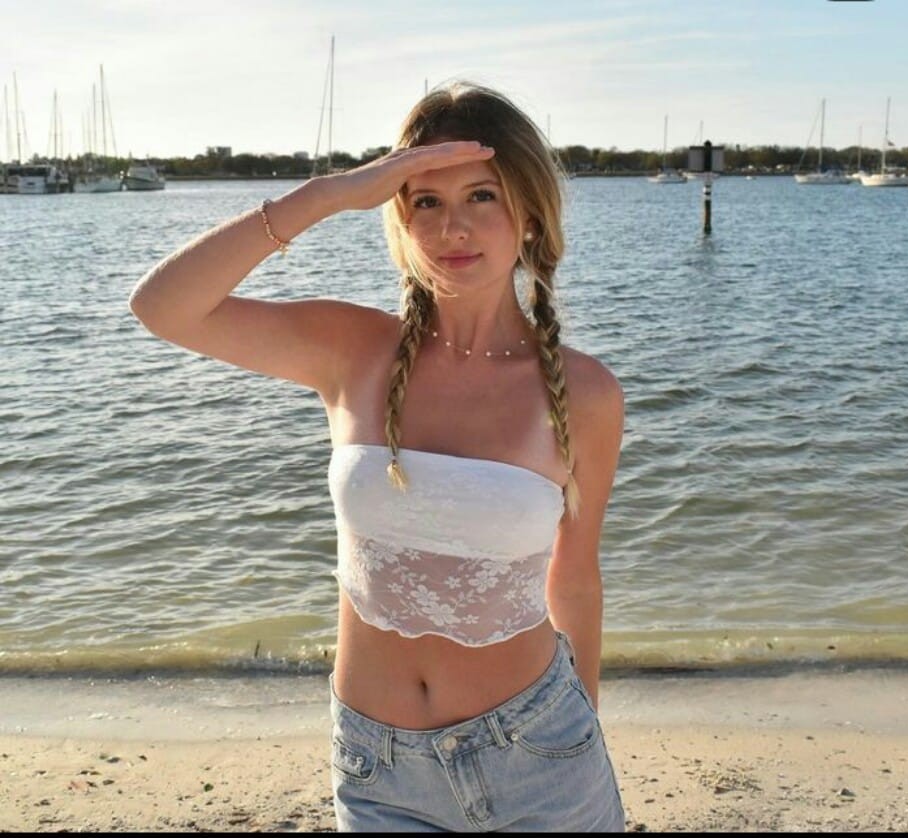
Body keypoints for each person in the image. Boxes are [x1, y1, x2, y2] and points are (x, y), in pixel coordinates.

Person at [129, 81, 626, 832]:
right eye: (425, 201)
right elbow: (163, 306)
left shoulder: (583, 393)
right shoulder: (352, 350)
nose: (453, 227)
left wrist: (582, 722)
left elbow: (576, 578)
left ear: (527, 212)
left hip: (540, 753)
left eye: (482, 196)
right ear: (398, 214)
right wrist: (329, 194)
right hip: (377, 768)